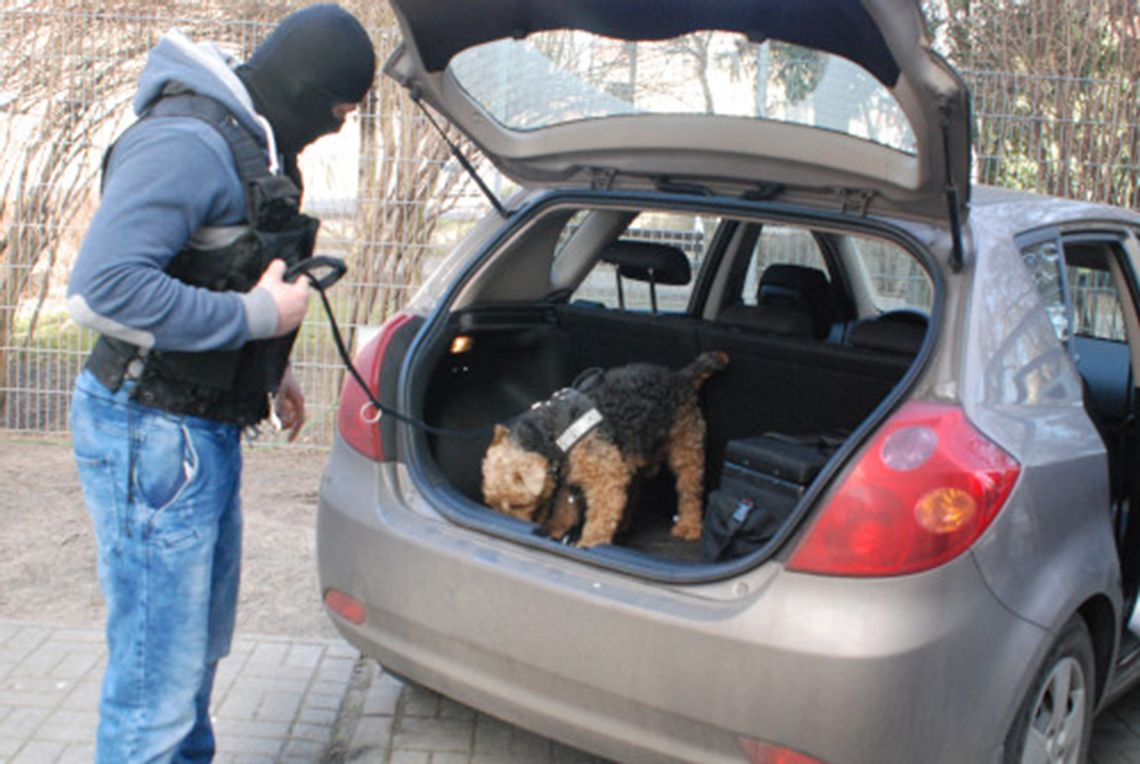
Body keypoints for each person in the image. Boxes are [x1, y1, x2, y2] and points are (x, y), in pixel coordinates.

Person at [65, 5, 375, 761]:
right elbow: (100, 290)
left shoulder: (247, 141)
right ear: (307, 88)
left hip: (194, 428)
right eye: (335, 111)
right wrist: (255, 316)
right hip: (150, 431)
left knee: (191, 665)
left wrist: (272, 363)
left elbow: (214, 268)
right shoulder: (188, 142)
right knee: (155, 695)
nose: (334, 127)